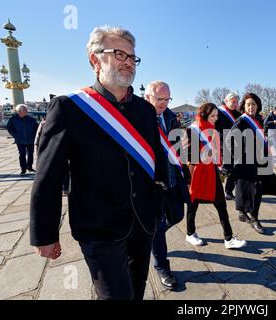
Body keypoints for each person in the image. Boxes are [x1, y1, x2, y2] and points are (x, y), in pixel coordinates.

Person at [30, 26, 167, 300]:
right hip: (99, 228)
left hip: (143, 222)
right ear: (94, 60)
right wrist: (44, 233)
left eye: (132, 56)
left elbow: (158, 161)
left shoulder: (145, 110)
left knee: (136, 291)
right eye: (119, 53)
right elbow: (49, 175)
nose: (128, 61)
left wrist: (161, 204)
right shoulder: (69, 108)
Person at [146, 80, 190, 291]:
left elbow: (177, 148)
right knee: (158, 225)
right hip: (152, 182)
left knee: (178, 216)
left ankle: (152, 237)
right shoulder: (140, 116)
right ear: (148, 97)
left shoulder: (172, 117)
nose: (164, 103)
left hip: (173, 178)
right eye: (159, 99)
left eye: (167, 99)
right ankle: (162, 266)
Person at [185, 103, 247, 249]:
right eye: (212, 115)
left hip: (211, 171)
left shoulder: (213, 129)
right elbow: (189, 157)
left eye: (217, 115)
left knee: (221, 204)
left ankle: (229, 238)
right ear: (204, 115)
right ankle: (190, 233)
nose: (215, 118)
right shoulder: (193, 129)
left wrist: (219, 164)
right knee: (193, 205)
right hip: (198, 173)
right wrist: (189, 180)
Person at [226, 93, 276, 234]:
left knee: (255, 190)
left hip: (259, 162)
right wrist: (240, 157)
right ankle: (254, 218)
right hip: (247, 164)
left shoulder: (257, 119)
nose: (251, 107)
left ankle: (244, 213)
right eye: (248, 104)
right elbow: (229, 141)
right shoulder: (241, 121)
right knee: (253, 190)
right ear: (244, 106)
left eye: (253, 104)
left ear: (257, 105)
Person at [215, 92, 241, 201]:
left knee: (235, 169)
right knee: (228, 168)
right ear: (226, 101)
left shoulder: (238, 114)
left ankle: (228, 191)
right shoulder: (219, 112)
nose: (235, 104)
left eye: (236, 102)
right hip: (223, 144)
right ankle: (217, 186)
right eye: (232, 101)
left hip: (236, 144)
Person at [6, 104, 38, 175]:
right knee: (22, 154)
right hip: (20, 140)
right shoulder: (13, 119)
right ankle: (23, 169)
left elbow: (37, 128)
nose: (27, 111)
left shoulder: (31, 119)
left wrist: (35, 136)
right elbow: (9, 128)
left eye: (26, 110)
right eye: (25, 110)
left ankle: (29, 167)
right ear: (19, 111)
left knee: (30, 154)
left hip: (31, 140)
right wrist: (15, 135)